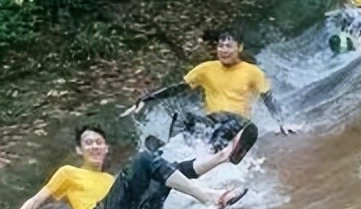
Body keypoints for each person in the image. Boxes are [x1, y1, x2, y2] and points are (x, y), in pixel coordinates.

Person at [0, 123, 251, 209]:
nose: (95, 146)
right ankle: (209, 197)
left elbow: (154, 183)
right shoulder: (68, 173)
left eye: (99, 142)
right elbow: (36, 200)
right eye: (89, 143)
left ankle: (223, 156)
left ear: (106, 148)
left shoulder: (111, 181)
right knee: (146, 159)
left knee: (167, 171)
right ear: (79, 150)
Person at [121, 31, 291, 150]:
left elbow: (268, 98)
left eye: (229, 46)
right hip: (213, 121)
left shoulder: (253, 71)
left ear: (239, 48)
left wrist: (282, 124)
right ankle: (172, 152)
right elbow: (179, 88)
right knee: (183, 117)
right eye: (221, 46)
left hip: (239, 123)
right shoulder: (206, 69)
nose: (223, 50)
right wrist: (146, 99)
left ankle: (207, 157)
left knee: (219, 130)